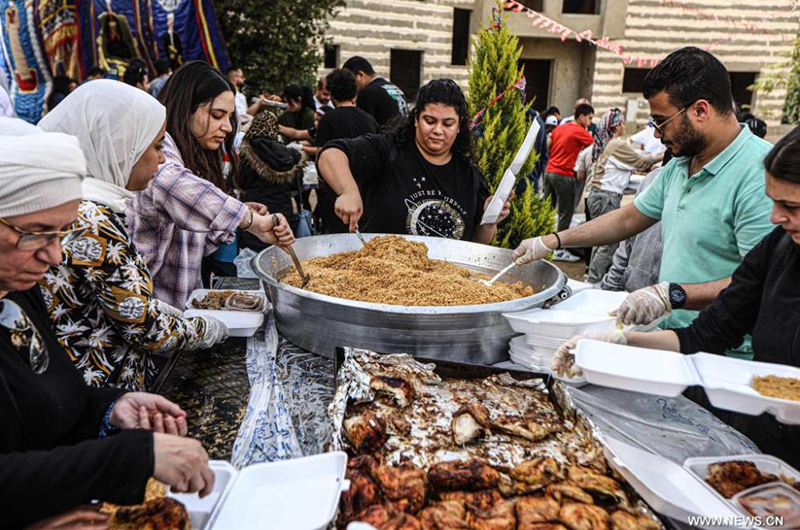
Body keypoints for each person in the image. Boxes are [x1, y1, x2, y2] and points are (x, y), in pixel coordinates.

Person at [0, 120, 214, 527]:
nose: (55, 257)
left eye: (61, 234)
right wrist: (134, 456)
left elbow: (44, 403)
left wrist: (109, 409)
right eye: (37, 234)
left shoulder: (17, 291)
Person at [553, 126, 800, 468]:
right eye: (774, 202)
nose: (776, 217)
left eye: (791, 206)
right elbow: (704, 335)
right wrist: (620, 341)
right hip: (768, 440)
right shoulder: (777, 249)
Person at [513, 47, 775, 359]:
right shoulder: (681, 164)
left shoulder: (758, 174)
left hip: (722, 356)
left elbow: (758, 281)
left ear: (701, 110)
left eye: (662, 122)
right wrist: (553, 240)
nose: (658, 135)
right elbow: (627, 220)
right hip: (670, 340)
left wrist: (673, 295)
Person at [38, 80, 228, 391]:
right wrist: (207, 328)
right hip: (98, 391)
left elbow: (116, 295)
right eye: (155, 147)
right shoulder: (91, 219)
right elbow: (145, 326)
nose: (163, 159)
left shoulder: (80, 203)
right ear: (120, 147)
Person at [129, 61, 295, 308]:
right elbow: (168, 181)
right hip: (149, 311)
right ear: (187, 108)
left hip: (182, 310)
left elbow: (198, 236)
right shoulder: (159, 153)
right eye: (217, 115)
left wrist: (239, 216)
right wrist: (250, 220)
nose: (227, 128)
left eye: (229, 117)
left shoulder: (192, 157)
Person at [317, 79, 511, 243]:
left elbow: (474, 245)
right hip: (380, 277)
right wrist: (348, 191)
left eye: (448, 124)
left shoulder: (469, 175)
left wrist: (490, 220)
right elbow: (331, 154)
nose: (438, 130)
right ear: (416, 118)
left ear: (459, 126)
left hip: (443, 283)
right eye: (430, 120)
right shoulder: (389, 149)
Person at [585, 109, 662, 284]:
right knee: (609, 242)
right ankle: (593, 282)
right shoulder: (617, 144)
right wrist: (664, 156)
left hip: (598, 195)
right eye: (622, 122)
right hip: (607, 197)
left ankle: (591, 278)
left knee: (600, 240)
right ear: (617, 125)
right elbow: (642, 162)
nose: (624, 125)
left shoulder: (608, 143)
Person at [314, 68, 380, 234]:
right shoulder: (369, 119)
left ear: (332, 95)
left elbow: (321, 154)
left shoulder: (328, 119)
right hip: (365, 195)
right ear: (355, 93)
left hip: (337, 196)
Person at [239, 112, 308, 251]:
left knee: (254, 256)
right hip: (283, 212)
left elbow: (239, 181)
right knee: (280, 252)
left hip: (255, 213)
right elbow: (297, 185)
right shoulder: (289, 154)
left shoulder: (246, 152)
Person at [600, 163, 667, 293]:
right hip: (633, 291)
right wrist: (611, 284)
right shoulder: (654, 177)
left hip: (675, 304)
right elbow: (628, 235)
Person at [542, 102, 594, 260]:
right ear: (581, 117)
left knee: (547, 209)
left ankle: (542, 242)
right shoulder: (581, 131)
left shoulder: (560, 127)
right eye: (589, 118)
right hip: (564, 174)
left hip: (549, 171)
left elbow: (548, 144)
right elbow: (595, 147)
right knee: (566, 212)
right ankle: (558, 249)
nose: (590, 122)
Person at [342, 56, 409, 127]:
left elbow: (365, 128)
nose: (350, 85)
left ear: (360, 75)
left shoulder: (368, 93)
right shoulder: (395, 88)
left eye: (351, 80)